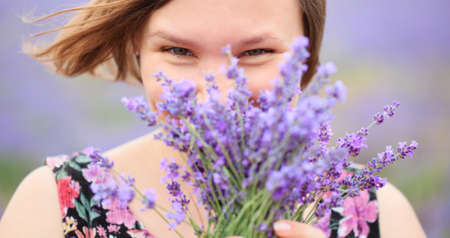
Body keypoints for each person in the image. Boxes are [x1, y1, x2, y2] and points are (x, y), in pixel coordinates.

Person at [0, 0, 427, 237]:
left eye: (255, 53)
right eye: (178, 52)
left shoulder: (376, 211)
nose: (219, 95)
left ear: (307, 62)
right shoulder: (57, 203)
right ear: (139, 53)